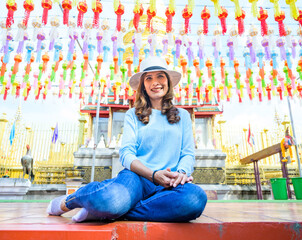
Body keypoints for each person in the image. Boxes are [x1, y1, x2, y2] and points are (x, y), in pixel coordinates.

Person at [47, 56, 207, 222]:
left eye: (160, 76)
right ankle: (70, 201)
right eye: (149, 78)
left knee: (195, 199)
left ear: (168, 81)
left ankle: (108, 211)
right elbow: (126, 153)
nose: (155, 82)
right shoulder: (133, 114)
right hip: (137, 178)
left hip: (170, 182)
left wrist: (181, 173)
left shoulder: (183, 116)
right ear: (143, 86)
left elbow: (187, 153)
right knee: (112, 199)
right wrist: (152, 175)